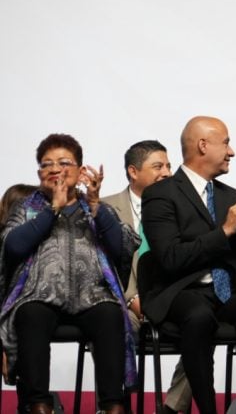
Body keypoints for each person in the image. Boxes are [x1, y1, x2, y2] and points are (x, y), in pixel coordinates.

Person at [140, 116, 236, 414]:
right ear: (203, 146)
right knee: (199, 316)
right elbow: (171, 258)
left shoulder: (230, 196)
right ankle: (207, 410)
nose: (232, 152)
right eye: (226, 142)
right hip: (181, 288)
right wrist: (224, 231)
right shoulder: (160, 195)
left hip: (228, 289)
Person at [0, 134, 136, 414]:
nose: (54, 169)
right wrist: (53, 209)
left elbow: (121, 247)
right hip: (40, 294)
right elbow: (13, 246)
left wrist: (97, 206)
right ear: (39, 173)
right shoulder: (26, 208)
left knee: (110, 313)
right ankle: (38, 403)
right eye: (46, 164)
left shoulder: (97, 208)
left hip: (92, 296)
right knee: (30, 313)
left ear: (79, 170)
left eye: (63, 162)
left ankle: (113, 405)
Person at [101, 140, 191, 414]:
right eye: (157, 166)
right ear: (133, 171)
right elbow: (100, 263)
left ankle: (173, 408)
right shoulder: (104, 209)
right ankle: (118, 405)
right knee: (112, 324)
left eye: (168, 166)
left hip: (168, 298)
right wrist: (130, 299)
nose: (166, 172)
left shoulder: (184, 208)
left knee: (203, 323)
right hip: (123, 302)